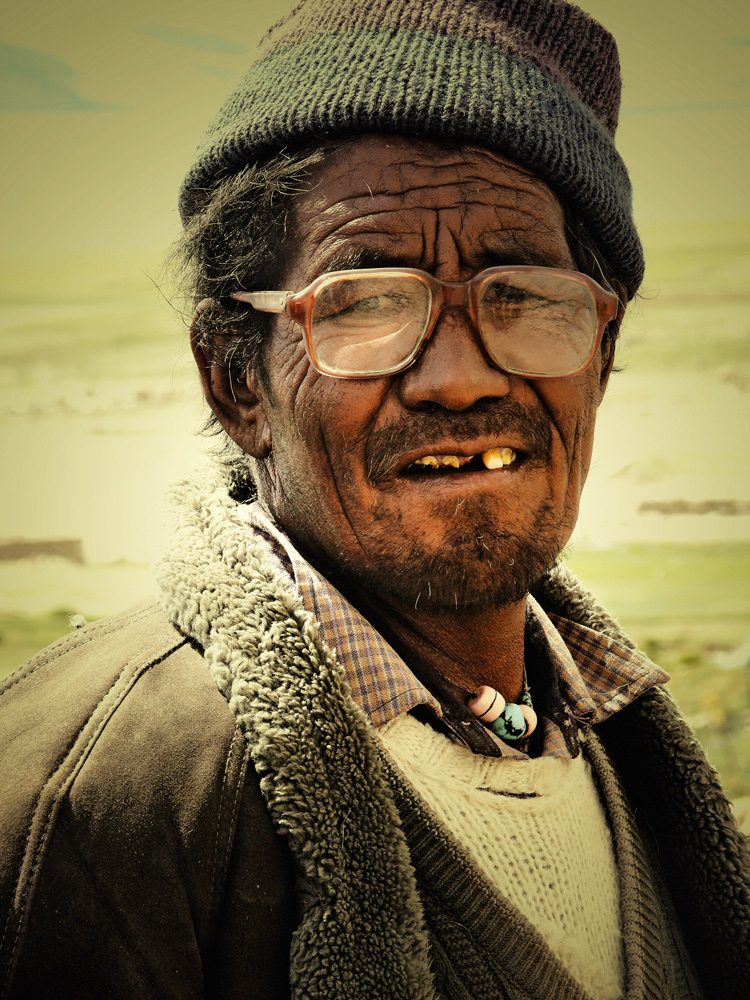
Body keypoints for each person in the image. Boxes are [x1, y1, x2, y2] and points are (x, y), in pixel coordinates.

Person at [1, 1, 748, 998]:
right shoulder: (91, 800)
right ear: (236, 378)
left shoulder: (622, 754)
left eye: (520, 294)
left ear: (600, 357)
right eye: (369, 302)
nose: (459, 379)